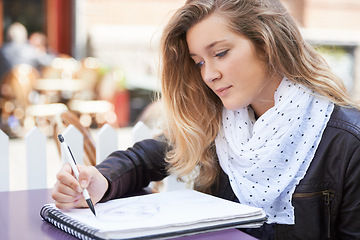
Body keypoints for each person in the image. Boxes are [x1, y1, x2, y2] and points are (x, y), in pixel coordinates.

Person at [52, 0, 360, 239]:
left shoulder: (347, 142)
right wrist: (102, 180)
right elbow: (148, 156)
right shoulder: (221, 122)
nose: (209, 74)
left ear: (268, 44)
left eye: (221, 53)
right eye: (198, 62)